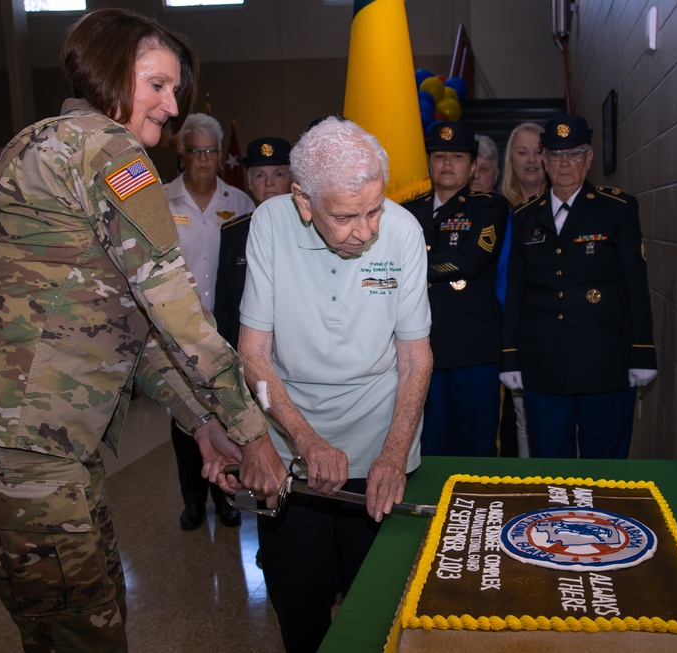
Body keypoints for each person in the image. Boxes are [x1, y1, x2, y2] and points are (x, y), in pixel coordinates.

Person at [0, 9, 276, 652]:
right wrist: (253, 434)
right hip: (27, 444)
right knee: (87, 635)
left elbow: (125, 328)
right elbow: (177, 314)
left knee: (80, 617)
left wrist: (202, 424)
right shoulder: (114, 154)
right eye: (156, 84)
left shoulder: (30, 142)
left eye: (175, 89)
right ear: (110, 72)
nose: (171, 106)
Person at [235, 116, 432, 653]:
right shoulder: (271, 225)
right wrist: (306, 441)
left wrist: (393, 454)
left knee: (380, 610)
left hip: (380, 452)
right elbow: (253, 355)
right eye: (346, 217)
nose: (365, 230)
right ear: (303, 201)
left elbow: (415, 359)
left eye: (374, 209)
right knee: (300, 608)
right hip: (292, 455)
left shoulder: (403, 232)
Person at [501, 114, 657, 460]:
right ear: (544, 161)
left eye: (574, 154)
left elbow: (635, 284)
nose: (565, 164)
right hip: (544, 366)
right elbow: (517, 291)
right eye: (556, 155)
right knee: (549, 469)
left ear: (588, 159)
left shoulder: (617, 209)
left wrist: (643, 350)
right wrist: (510, 355)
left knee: (605, 473)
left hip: (605, 363)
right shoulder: (525, 215)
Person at [164, 113, 256, 531]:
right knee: (187, 414)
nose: (203, 159)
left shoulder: (239, 203)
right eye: (195, 150)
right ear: (183, 154)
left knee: (228, 407)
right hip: (176, 328)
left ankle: (228, 495)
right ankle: (192, 500)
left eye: (211, 151)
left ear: (221, 156)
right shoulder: (162, 200)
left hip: (225, 328)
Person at [402, 121, 507, 457]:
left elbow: (471, 261)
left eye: (457, 156)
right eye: (440, 155)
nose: (447, 163)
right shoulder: (407, 210)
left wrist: (416, 263)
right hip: (421, 347)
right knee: (427, 446)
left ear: (473, 165)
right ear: (429, 163)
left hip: (472, 346)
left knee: (476, 447)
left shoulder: (488, 206)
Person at [495, 122, 549, 457]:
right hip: (507, 332)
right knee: (520, 419)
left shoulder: (562, 213)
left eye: (538, 151)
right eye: (522, 151)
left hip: (549, 330)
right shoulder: (497, 214)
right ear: (510, 160)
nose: (531, 159)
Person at [213, 136, 292, 344]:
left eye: (279, 174)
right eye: (259, 175)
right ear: (249, 182)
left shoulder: (309, 228)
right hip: (247, 345)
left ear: (292, 179)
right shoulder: (233, 233)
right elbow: (225, 306)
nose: (269, 183)